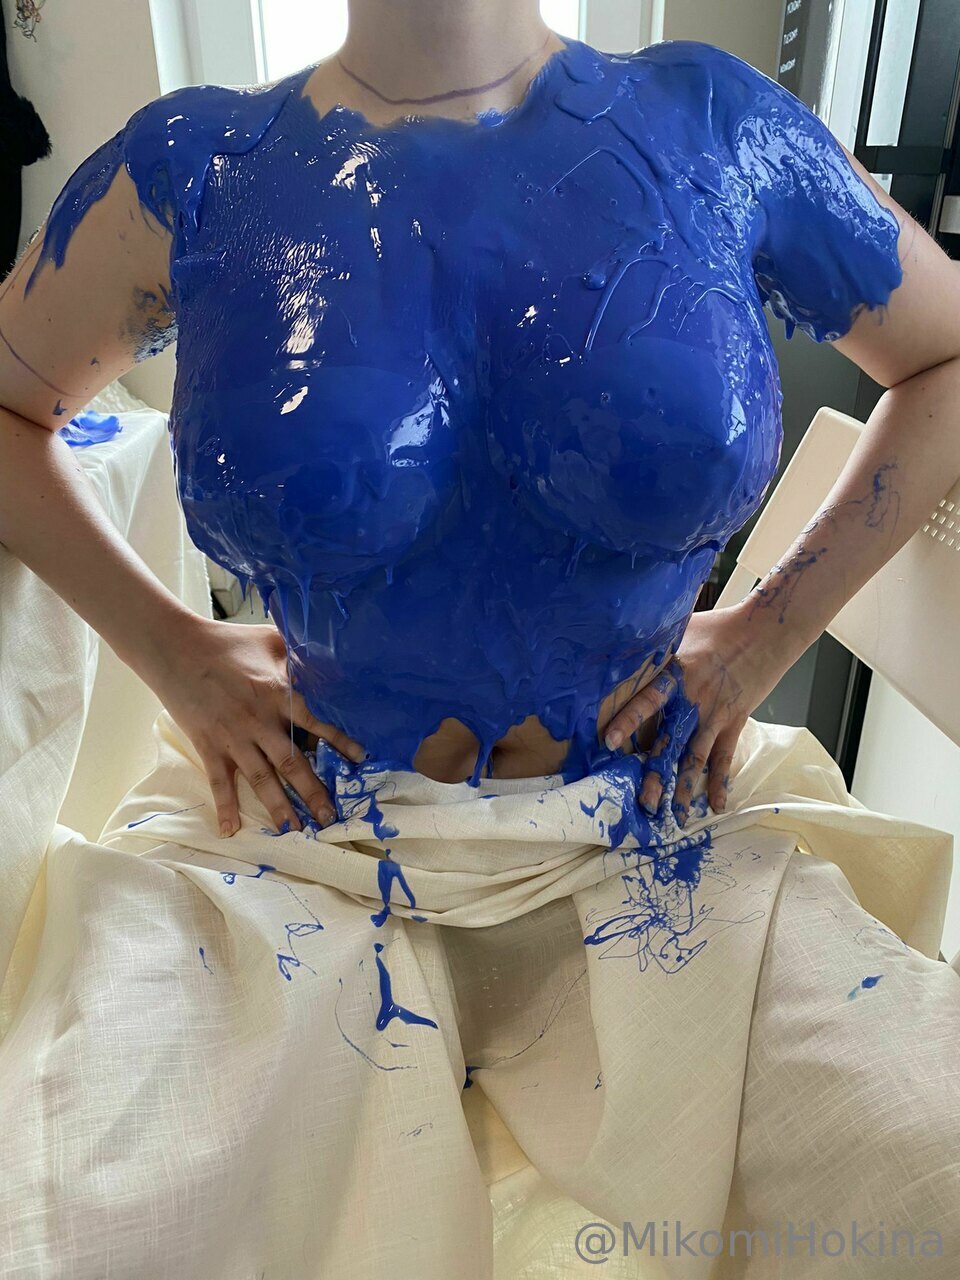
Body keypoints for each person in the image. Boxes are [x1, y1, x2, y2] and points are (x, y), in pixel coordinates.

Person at [1, 1, 959, 1276]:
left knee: (928, 1180)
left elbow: (946, 356)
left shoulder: (716, 128)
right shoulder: (196, 169)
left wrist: (766, 634)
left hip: (658, 830)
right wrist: (171, 649)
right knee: (64, 1227)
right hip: (304, 842)